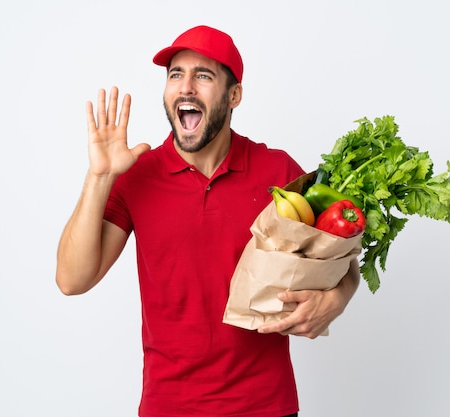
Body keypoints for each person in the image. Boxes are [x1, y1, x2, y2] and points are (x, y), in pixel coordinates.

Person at [56, 25, 360, 417]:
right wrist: (100, 176)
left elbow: (342, 259)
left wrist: (337, 298)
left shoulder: (279, 171)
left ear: (234, 96)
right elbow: (71, 280)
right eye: (175, 74)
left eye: (203, 75)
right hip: (169, 406)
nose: (185, 87)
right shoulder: (136, 176)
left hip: (266, 406)